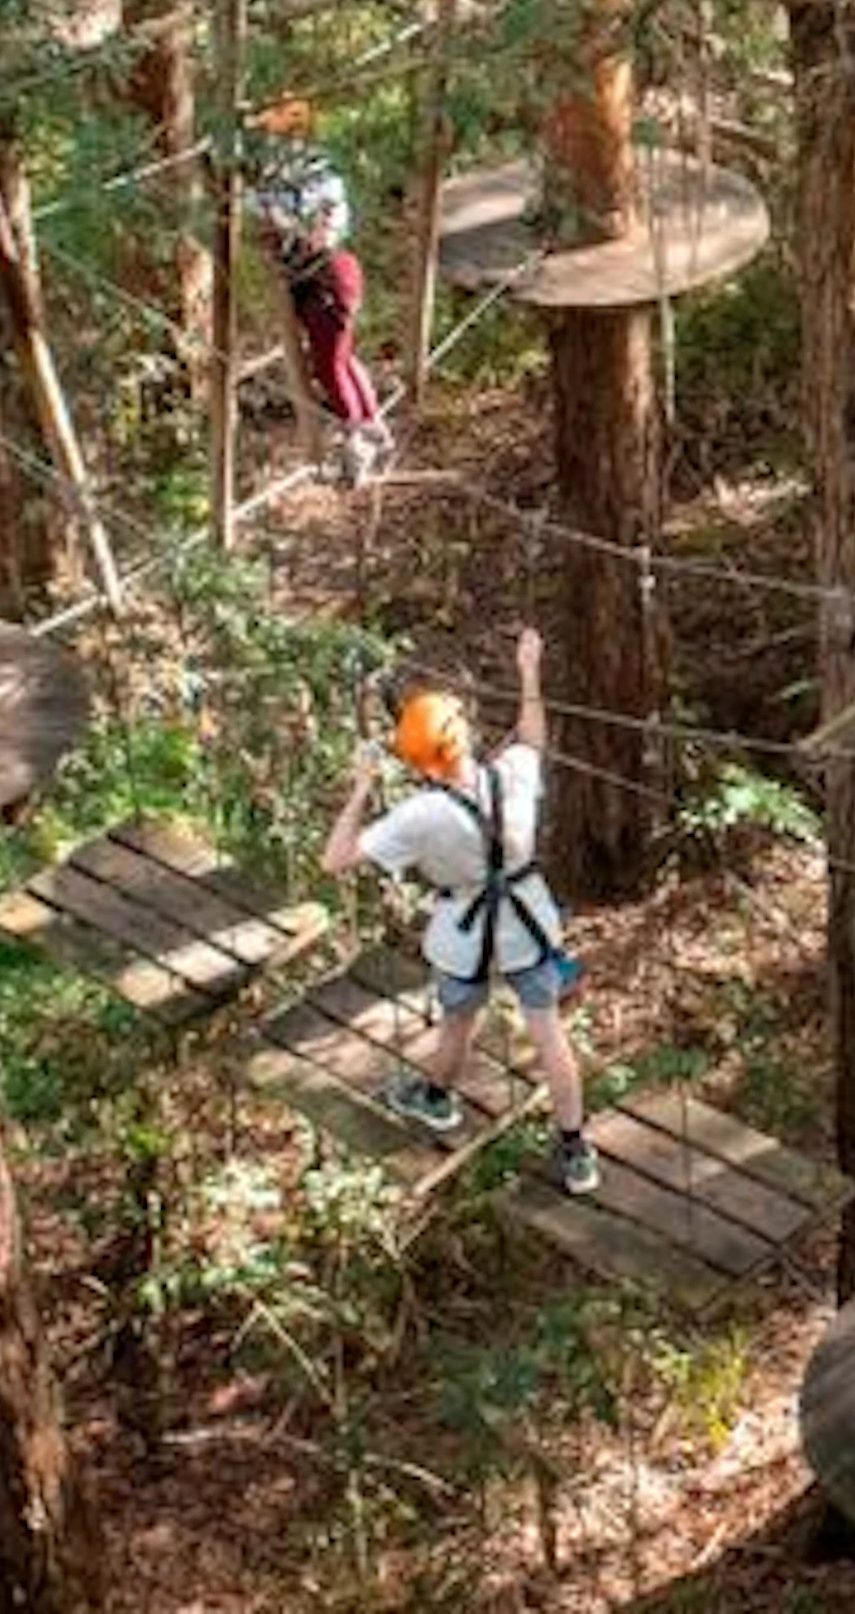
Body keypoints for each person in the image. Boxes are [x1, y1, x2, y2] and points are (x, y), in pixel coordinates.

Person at [324, 625, 600, 1196]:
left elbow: (337, 859)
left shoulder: (418, 815)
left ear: (420, 763)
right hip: (527, 923)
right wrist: (529, 670)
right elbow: (532, 735)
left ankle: (437, 1099)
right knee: (550, 1036)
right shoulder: (514, 775)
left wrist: (360, 789)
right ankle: (575, 1148)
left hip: (465, 935)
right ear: (467, 736)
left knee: (458, 1024)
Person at [247, 120, 391, 485]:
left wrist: (274, 222)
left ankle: (358, 439)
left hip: (327, 278)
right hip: (333, 274)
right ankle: (372, 428)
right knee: (342, 359)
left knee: (330, 366)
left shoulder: (304, 180)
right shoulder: (309, 175)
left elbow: (290, 224)